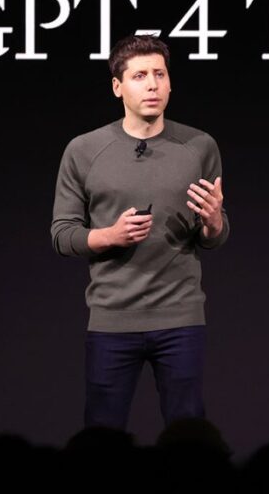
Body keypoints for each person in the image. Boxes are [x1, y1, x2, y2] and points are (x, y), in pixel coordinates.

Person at [51, 34, 230, 430]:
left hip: (180, 316)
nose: (152, 85)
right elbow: (62, 234)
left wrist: (215, 221)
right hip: (112, 317)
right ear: (117, 87)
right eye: (139, 76)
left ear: (170, 83)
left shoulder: (199, 146)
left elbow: (214, 236)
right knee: (102, 432)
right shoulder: (84, 150)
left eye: (159, 74)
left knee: (188, 430)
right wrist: (110, 236)